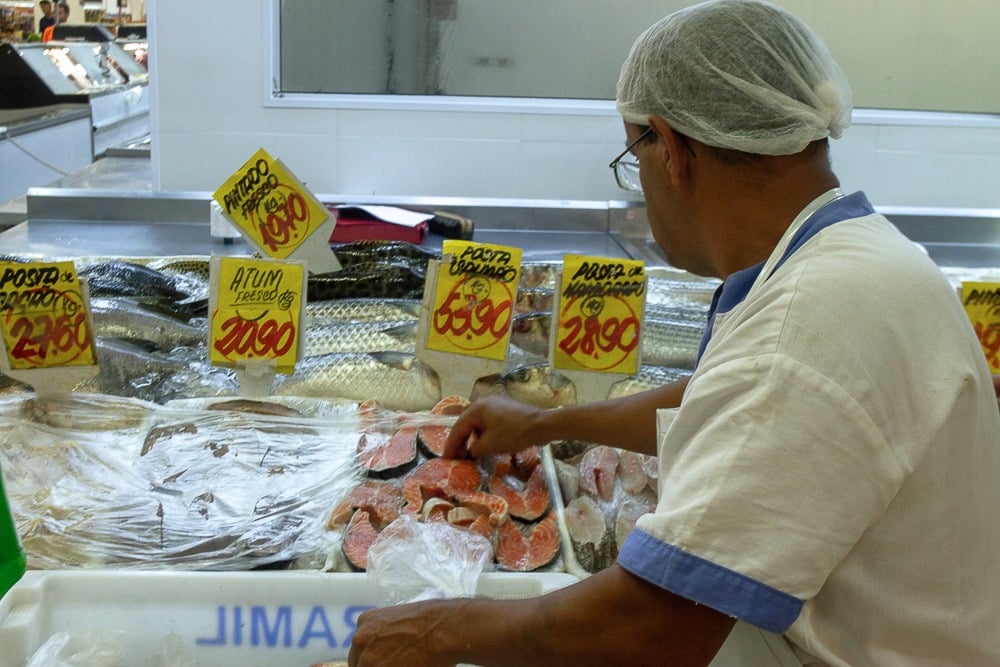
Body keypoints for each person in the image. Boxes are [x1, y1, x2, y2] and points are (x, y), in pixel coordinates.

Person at [348, 1, 1000, 665]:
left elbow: (651, 628)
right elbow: (723, 405)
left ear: (672, 149)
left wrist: (439, 630)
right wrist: (545, 423)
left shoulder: (806, 327)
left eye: (633, 155)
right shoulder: (861, 257)